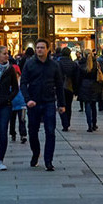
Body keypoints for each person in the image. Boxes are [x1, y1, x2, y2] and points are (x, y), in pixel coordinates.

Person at [20, 39, 66, 170]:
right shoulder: (29, 64)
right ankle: (36, 153)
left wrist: (61, 104)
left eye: (42, 47)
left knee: (50, 131)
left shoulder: (54, 65)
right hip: (33, 102)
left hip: (49, 102)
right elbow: (23, 83)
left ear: (47, 49)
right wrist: (27, 99)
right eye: (37, 47)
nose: (39, 50)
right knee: (32, 131)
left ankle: (48, 160)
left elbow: (59, 85)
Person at [75, 50, 103, 133]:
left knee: (87, 104)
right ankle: (94, 123)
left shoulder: (81, 64)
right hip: (94, 86)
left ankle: (89, 124)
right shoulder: (96, 63)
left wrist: (76, 89)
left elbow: (78, 77)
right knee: (93, 105)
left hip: (84, 86)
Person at [55, 46, 78, 131]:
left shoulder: (58, 63)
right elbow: (76, 77)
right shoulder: (73, 64)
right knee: (69, 105)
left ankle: (64, 123)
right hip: (70, 87)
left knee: (61, 104)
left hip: (60, 86)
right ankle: (67, 121)